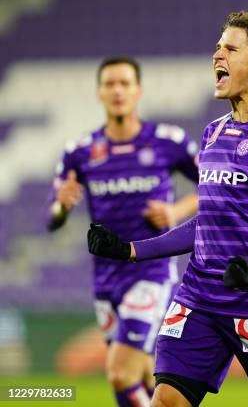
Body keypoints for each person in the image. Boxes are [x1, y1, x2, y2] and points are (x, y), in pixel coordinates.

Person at [87, 11, 248, 407]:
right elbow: (207, 225)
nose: (217, 55)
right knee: (166, 401)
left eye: (230, 48)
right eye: (217, 46)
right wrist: (130, 250)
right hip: (198, 299)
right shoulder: (214, 132)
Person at [47, 56, 199, 406]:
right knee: (142, 375)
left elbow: (214, 187)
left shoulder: (168, 141)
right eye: (110, 84)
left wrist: (176, 210)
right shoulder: (80, 152)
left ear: (138, 91)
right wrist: (60, 206)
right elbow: (51, 217)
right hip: (105, 279)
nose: (117, 90)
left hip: (150, 273)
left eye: (125, 83)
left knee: (119, 371)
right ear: (99, 93)